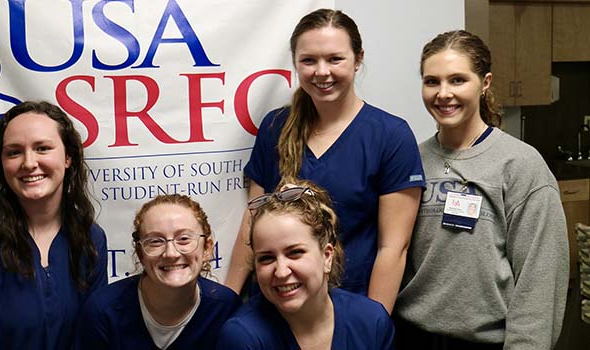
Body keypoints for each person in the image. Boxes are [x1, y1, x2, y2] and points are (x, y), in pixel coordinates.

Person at [224, 8, 424, 313]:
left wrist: (372, 324)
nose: (322, 71)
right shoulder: (274, 127)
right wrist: (227, 301)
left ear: (358, 59)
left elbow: (392, 249)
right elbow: (252, 225)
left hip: (349, 305)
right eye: (309, 60)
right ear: (295, 63)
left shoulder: (390, 135)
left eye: (334, 59)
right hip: (276, 305)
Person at [394, 30, 568, 349]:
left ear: (484, 83)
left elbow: (540, 279)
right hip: (410, 337)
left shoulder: (520, 165)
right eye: (432, 81)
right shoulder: (410, 160)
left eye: (458, 80)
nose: (443, 93)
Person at [0, 101, 108, 349]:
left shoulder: (90, 237)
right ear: (1, 166)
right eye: (14, 152)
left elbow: (92, 338)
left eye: (43, 148)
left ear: (68, 157)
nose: (28, 163)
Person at [218, 181, 395, 350]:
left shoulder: (371, 322)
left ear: (326, 257)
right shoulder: (243, 337)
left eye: (294, 253)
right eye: (266, 258)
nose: (281, 272)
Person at [75, 194, 240, 349]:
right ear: (141, 254)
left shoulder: (225, 309)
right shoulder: (103, 313)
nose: (171, 253)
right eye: (155, 241)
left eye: (184, 239)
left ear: (207, 248)